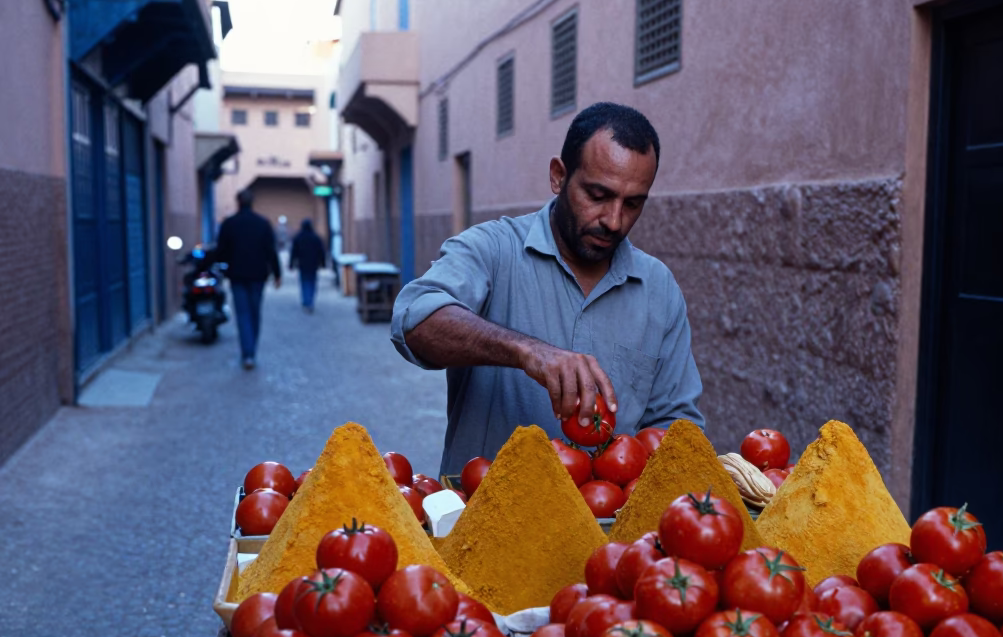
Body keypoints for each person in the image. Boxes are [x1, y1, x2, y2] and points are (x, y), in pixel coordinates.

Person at [391, 102, 704, 477]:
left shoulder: (659, 288)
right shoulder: (492, 249)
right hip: (487, 518)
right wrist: (525, 350)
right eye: (598, 195)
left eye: (633, 204)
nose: (614, 220)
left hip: (607, 527)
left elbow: (675, 424)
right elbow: (414, 320)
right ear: (558, 176)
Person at [213, 189, 281, 369]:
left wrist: (218, 265)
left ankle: (247, 353)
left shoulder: (229, 224)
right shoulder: (263, 224)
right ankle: (251, 351)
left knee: (243, 314)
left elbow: (221, 251)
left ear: (238, 202)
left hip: (237, 275)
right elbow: (270, 251)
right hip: (258, 276)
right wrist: (277, 274)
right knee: (254, 313)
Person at [288, 218, 327, 313]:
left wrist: (291, 264)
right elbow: (321, 252)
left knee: (304, 283)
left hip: (302, 264)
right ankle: (310, 302)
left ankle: (306, 301)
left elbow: (294, 252)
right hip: (313, 264)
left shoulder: (298, 237)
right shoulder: (316, 238)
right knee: (312, 283)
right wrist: (323, 263)